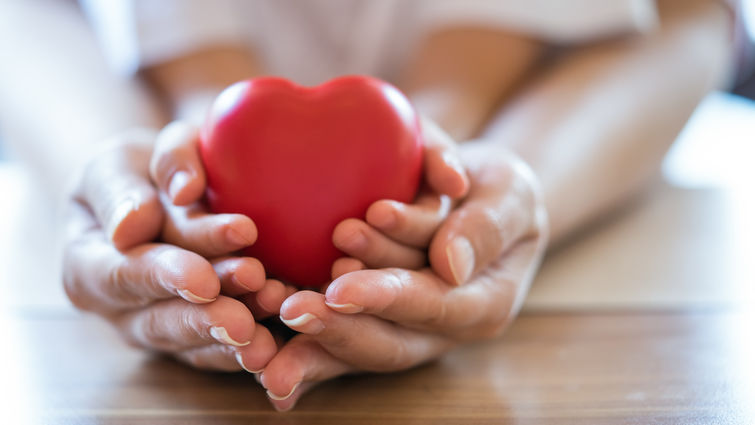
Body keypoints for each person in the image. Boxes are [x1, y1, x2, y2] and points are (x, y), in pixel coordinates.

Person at [0, 0, 739, 412]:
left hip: (550, 128)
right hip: (110, 95)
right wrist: (122, 186)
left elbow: (691, 16)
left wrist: (511, 193)